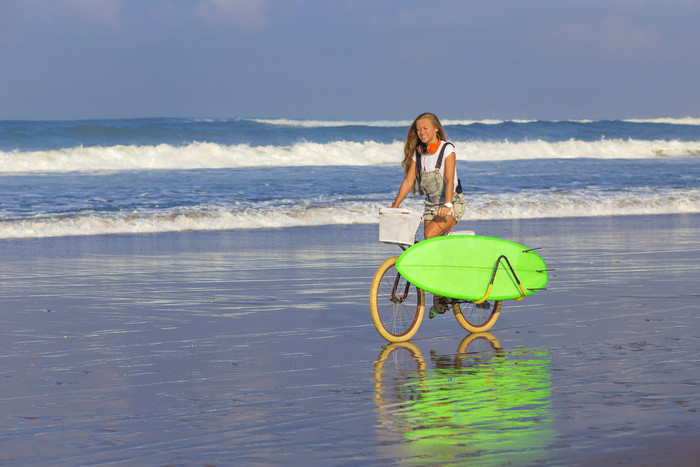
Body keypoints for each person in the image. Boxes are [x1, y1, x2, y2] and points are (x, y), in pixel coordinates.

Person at [389, 112, 467, 317]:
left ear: (435, 129)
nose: (421, 132)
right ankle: (444, 290)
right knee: (428, 247)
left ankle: (445, 291)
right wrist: (395, 205)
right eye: (418, 129)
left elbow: (450, 179)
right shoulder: (419, 153)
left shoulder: (447, 149)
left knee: (430, 236)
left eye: (425, 128)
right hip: (431, 206)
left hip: (452, 203)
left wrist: (448, 204)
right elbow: (408, 181)